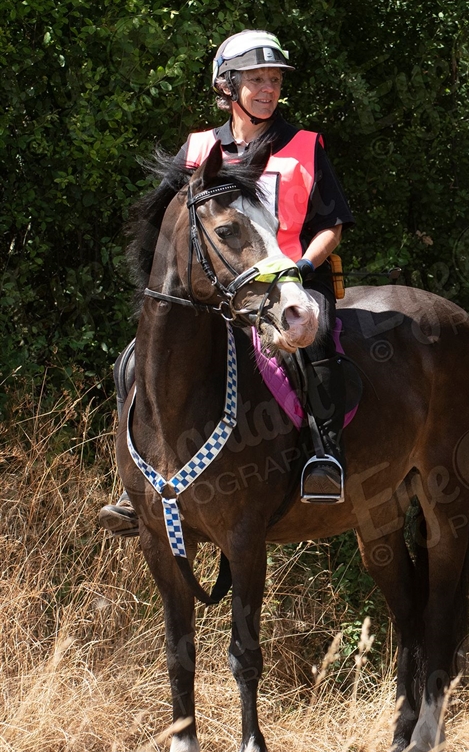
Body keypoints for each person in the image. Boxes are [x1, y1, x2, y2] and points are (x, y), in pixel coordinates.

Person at [99, 29, 354, 536]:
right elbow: (163, 224)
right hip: (215, 290)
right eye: (256, 80)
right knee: (135, 361)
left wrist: (303, 266)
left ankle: (324, 457)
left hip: (291, 283)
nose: (268, 89)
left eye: (275, 80)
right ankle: (137, 484)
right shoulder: (198, 149)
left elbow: (333, 225)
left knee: (316, 350)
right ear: (227, 86)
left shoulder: (304, 145)